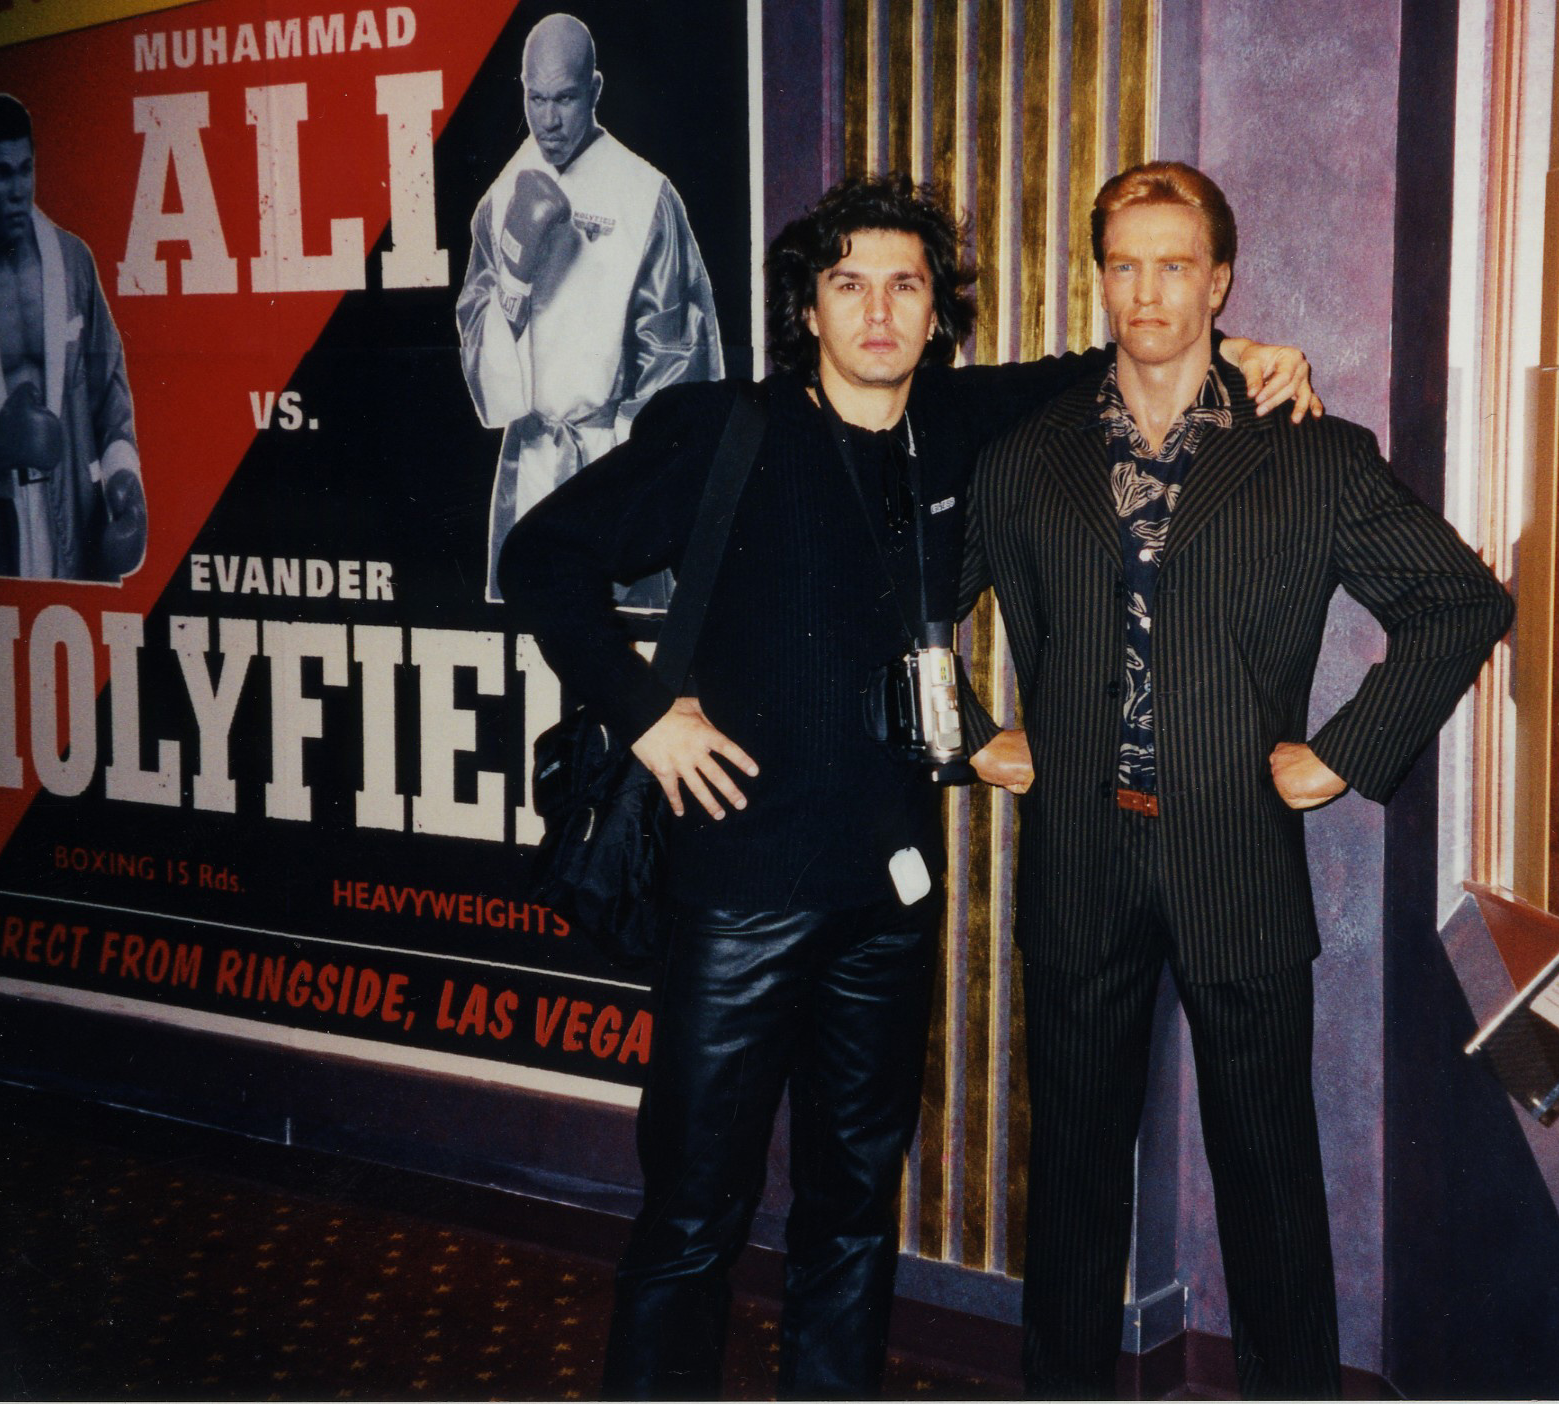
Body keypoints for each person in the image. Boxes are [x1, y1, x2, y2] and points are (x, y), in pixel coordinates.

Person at [501, 171, 1320, 1399]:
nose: (877, 311)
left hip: (886, 906)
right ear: (809, 309)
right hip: (738, 897)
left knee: (851, 1213)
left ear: (936, 313)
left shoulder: (954, 423)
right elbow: (542, 556)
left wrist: (1243, 352)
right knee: (692, 1217)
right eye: (848, 286)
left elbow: (1111, 361)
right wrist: (646, 713)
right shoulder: (723, 430)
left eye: (904, 286)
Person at [959, 161, 1515, 1399]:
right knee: (1073, 1188)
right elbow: (907, 606)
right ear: (1098, 278)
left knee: (1268, 1179)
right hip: (1077, 858)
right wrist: (967, 732)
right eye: (1122, 265)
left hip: (1234, 856)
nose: (1145, 292)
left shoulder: (1309, 455)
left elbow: (1457, 600)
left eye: (1173, 265)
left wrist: (1342, 753)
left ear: (1219, 282)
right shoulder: (1026, 456)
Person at [458, 12, 723, 606]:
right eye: (536, 99)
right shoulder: (501, 196)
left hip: (616, 466)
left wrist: (634, 474)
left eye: (566, 99)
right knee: (519, 641)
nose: (549, 120)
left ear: (595, 89)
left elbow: (680, 361)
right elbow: (476, 348)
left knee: (619, 645)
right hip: (529, 465)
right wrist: (514, 282)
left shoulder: (645, 196)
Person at [0, 93, 147, 581]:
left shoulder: (74, 263)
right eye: (1, 173)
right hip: (1, 528)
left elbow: (109, 390)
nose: (17, 190)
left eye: (25, 170)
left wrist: (125, 481)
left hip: (78, 512)